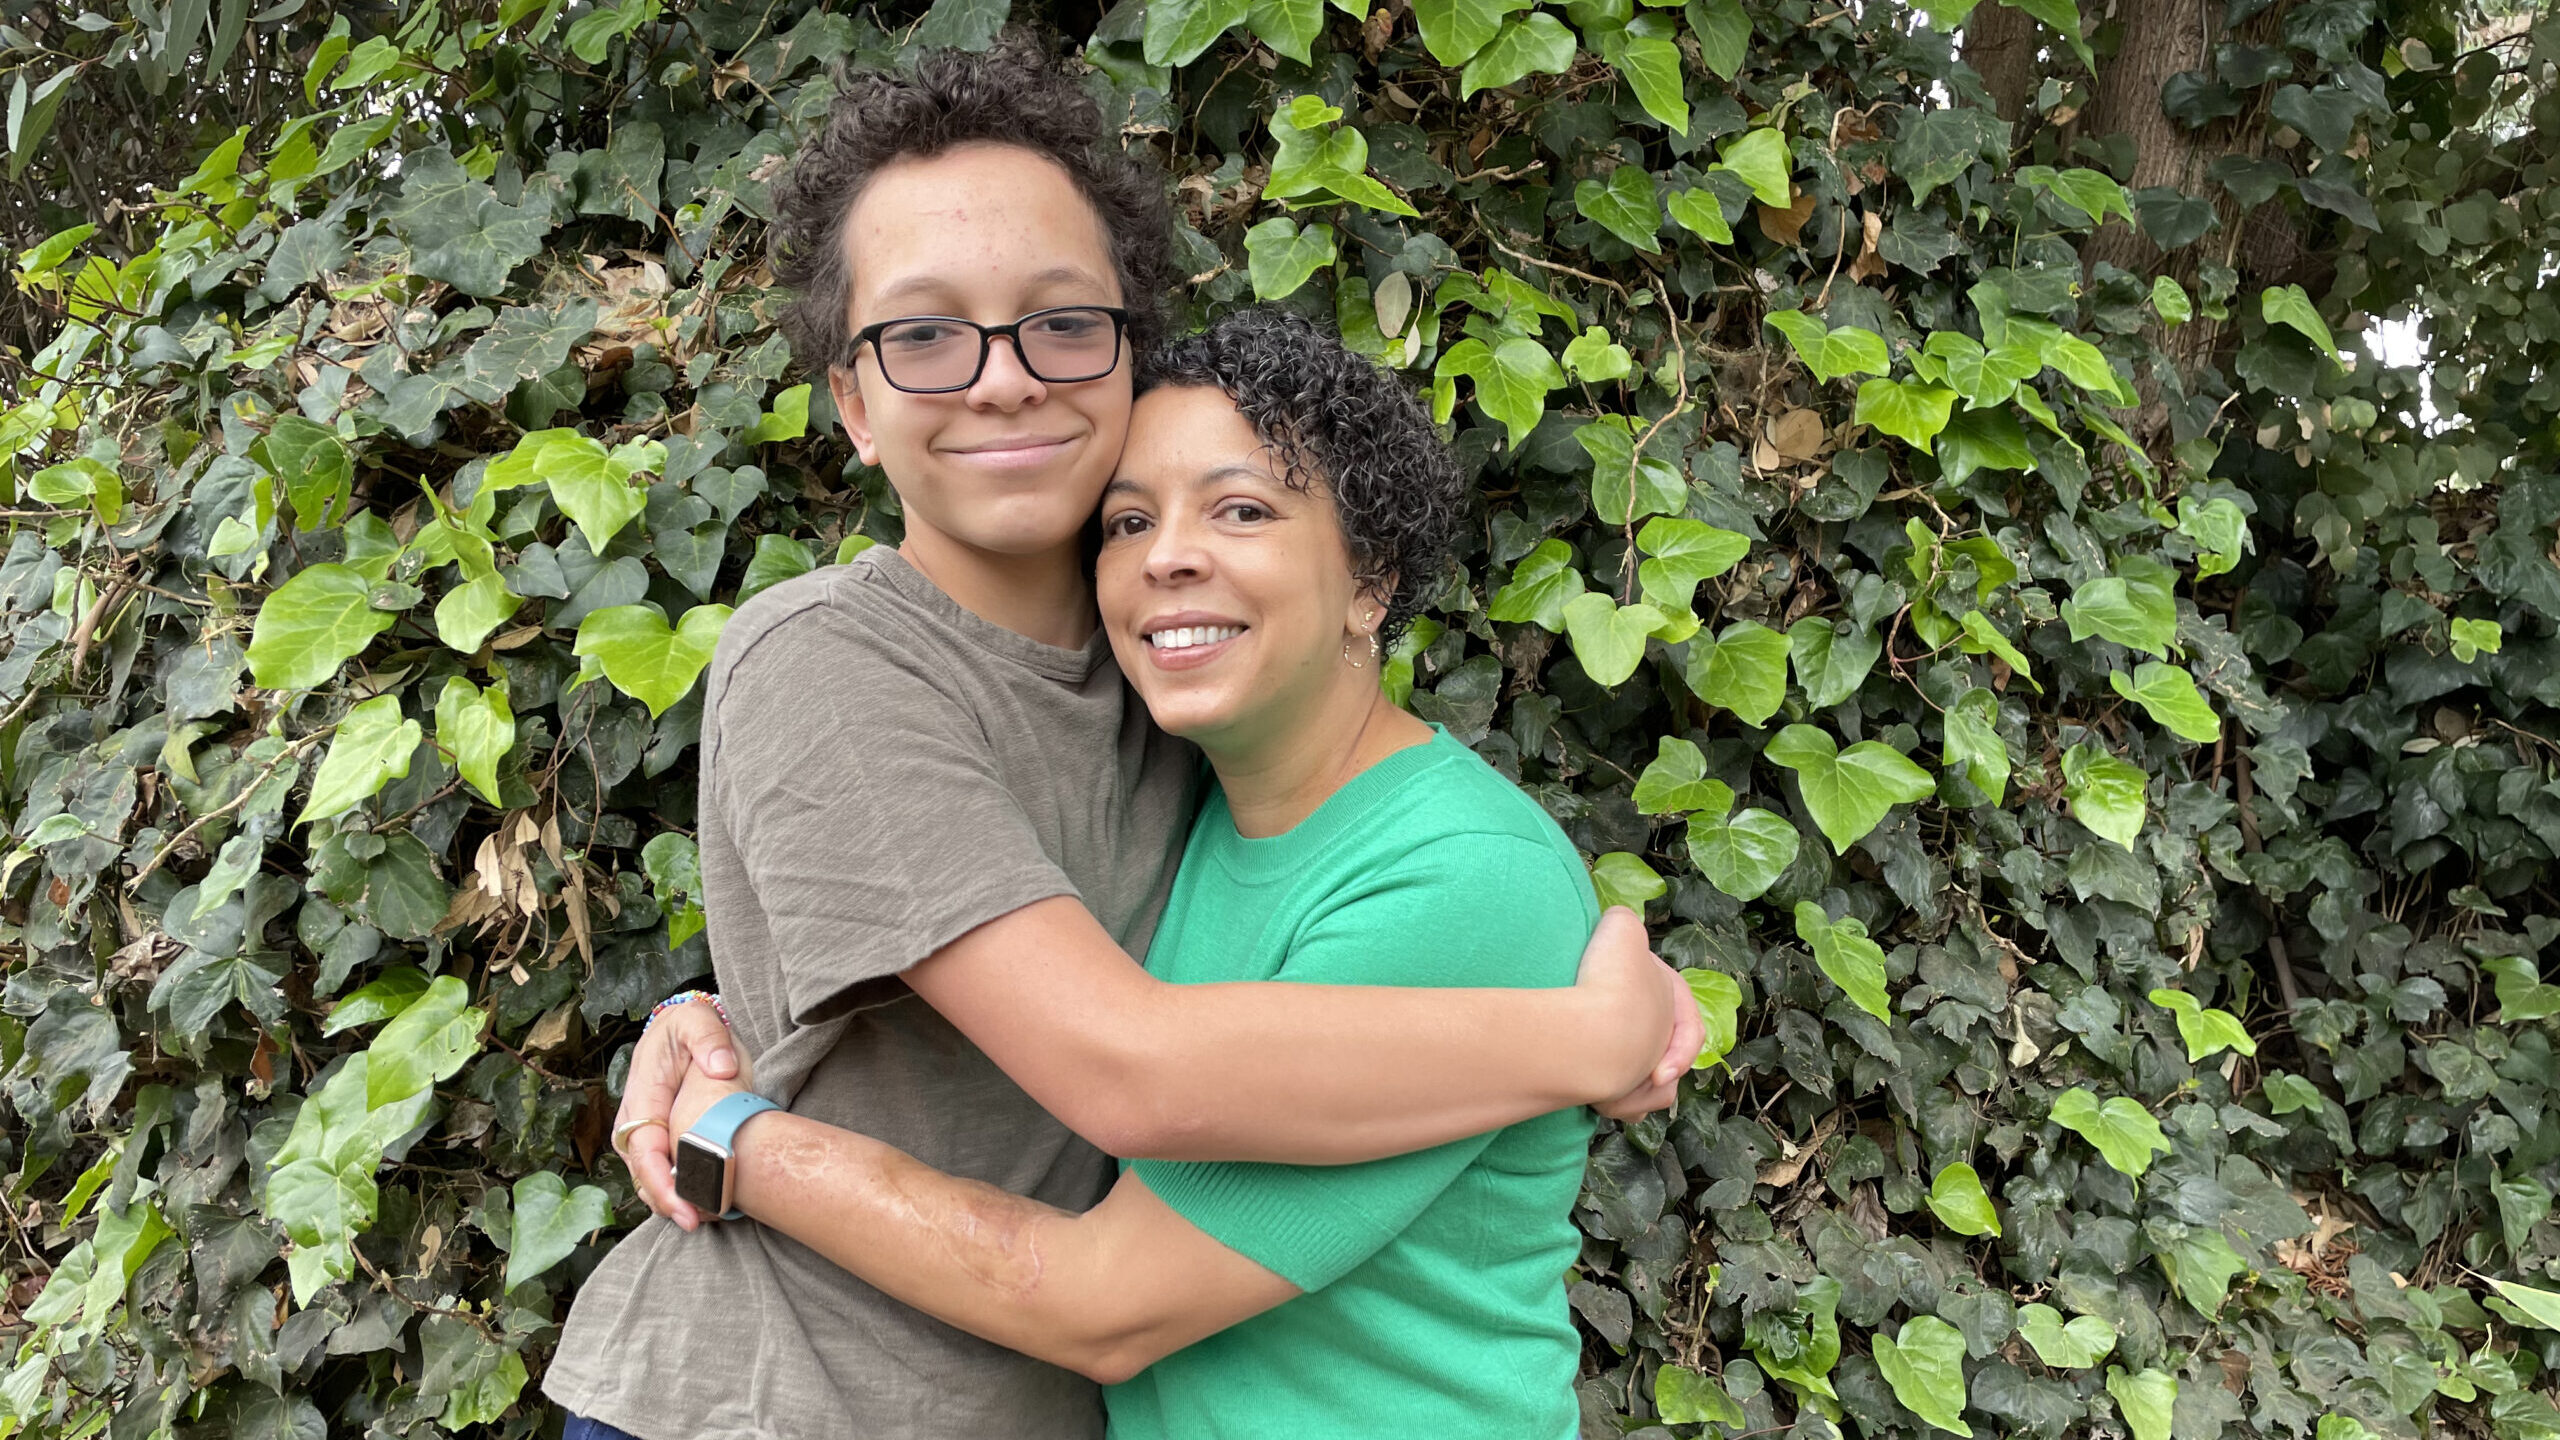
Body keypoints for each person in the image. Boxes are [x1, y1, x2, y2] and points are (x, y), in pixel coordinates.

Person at [541, 36, 1698, 1440]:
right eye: (922, 333)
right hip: (788, 1402)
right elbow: (1121, 1065)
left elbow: (1252, 984)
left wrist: (717, 1071)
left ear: (1123, 355)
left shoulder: (1182, 696)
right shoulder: (828, 660)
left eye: (1060, 321)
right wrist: (1584, 1040)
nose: (1005, 378)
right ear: (851, 400)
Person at [661, 305, 1607, 1440]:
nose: (1167, 555)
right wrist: (695, 1022)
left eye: (1242, 509)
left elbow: (1100, 1300)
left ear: (1371, 583)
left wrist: (733, 1139)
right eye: (1125, 521)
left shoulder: (1461, 876)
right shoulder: (1188, 799)